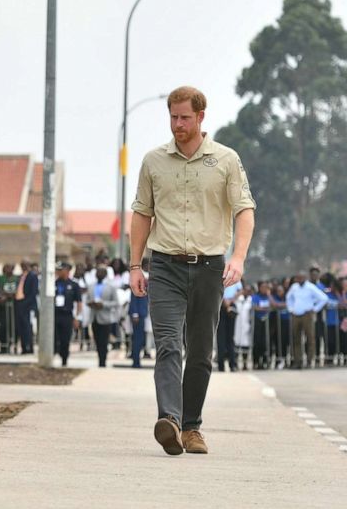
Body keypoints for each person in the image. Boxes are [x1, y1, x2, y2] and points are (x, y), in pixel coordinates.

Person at [129, 85, 256, 456]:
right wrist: (136, 265)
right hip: (165, 264)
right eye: (173, 117)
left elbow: (244, 209)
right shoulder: (154, 161)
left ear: (201, 117)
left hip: (210, 267)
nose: (178, 124)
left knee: (200, 351)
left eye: (185, 117)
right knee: (168, 344)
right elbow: (141, 214)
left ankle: (191, 427)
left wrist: (239, 257)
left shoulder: (226, 160)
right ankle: (168, 419)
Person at [287, 272, 329, 369]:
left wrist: (315, 309)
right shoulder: (294, 287)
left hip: (307, 314)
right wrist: (291, 308)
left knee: (310, 338)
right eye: (298, 278)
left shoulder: (311, 287)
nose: (300, 280)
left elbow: (324, 298)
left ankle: (310, 361)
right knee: (296, 338)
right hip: (296, 314)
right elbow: (288, 298)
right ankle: (298, 361)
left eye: (302, 278)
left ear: (305, 278)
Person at [86, 265, 120, 367]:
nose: (99, 274)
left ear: (105, 274)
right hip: (94, 317)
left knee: (104, 341)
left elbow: (116, 303)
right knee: (97, 340)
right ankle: (100, 357)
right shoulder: (91, 286)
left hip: (105, 318)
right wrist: (90, 303)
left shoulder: (110, 287)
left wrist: (103, 304)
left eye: (101, 272)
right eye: (97, 272)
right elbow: (87, 299)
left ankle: (103, 361)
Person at [53, 261, 82, 367]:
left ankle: (64, 359)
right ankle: (55, 355)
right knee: (55, 338)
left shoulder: (74, 285)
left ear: (67, 271)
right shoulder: (54, 283)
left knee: (65, 339)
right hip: (55, 314)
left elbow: (78, 302)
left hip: (67, 315)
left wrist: (77, 317)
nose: (58, 272)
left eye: (61, 270)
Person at [128, 257, 150, 368]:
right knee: (138, 338)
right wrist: (135, 313)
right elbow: (134, 296)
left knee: (142, 339)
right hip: (138, 314)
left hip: (145, 313)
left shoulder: (148, 277)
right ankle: (135, 361)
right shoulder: (140, 277)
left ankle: (137, 360)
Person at [217, 280, 242, 372]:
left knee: (230, 337)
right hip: (219, 305)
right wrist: (223, 300)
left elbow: (240, 290)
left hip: (231, 306)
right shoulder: (218, 272)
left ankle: (232, 364)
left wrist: (230, 300)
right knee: (220, 337)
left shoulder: (234, 274)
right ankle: (221, 365)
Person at [234, 284, 255, 370]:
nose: (247, 292)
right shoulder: (238, 299)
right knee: (236, 343)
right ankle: (235, 364)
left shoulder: (251, 300)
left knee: (245, 345)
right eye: (245, 290)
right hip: (238, 325)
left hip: (247, 325)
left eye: (248, 290)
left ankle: (245, 364)